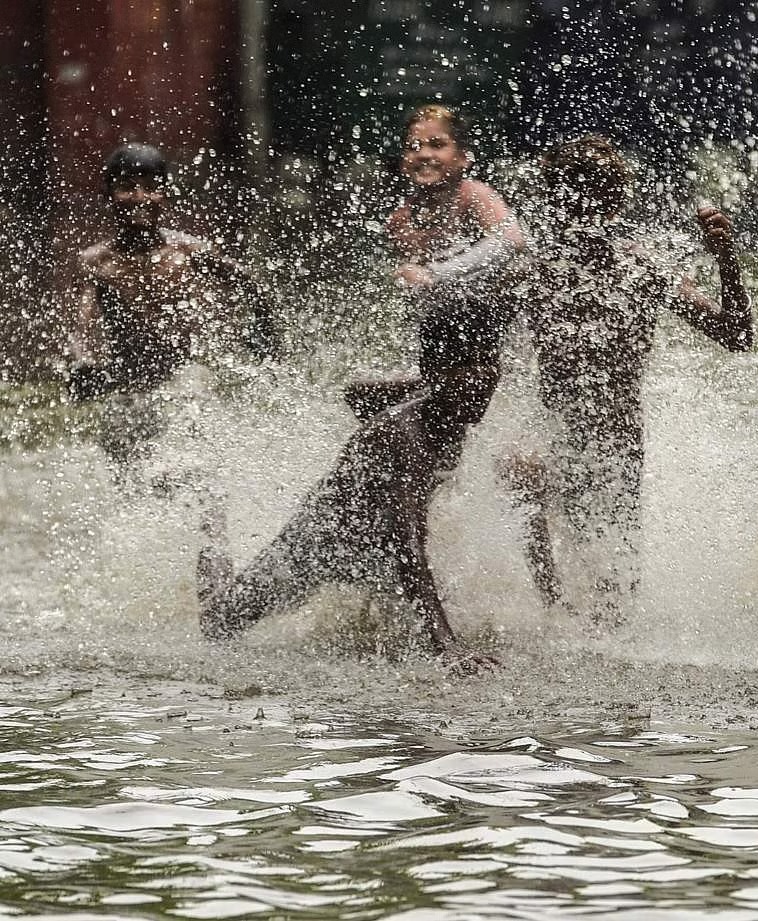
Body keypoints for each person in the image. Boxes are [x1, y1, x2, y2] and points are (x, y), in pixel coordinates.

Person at [502, 135, 752, 623]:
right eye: (570, 191)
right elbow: (491, 356)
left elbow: (736, 335)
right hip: (550, 422)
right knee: (521, 467)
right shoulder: (531, 269)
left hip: (616, 433)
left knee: (614, 577)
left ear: (618, 198)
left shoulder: (642, 266)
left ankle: (608, 627)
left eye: (598, 191)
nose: (583, 203)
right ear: (552, 199)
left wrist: (726, 258)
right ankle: (551, 614)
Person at [197, 357, 502, 676]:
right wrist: (447, 646)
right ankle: (212, 526)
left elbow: (357, 394)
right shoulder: (406, 435)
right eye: (467, 370)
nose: (482, 383)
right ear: (437, 371)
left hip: (377, 554)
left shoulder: (450, 405)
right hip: (320, 545)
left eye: (490, 366)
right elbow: (407, 547)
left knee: (435, 609)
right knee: (216, 621)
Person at [67, 143, 276, 483]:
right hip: (128, 388)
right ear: (108, 195)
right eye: (126, 187)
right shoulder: (96, 263)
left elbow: (250, 284)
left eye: (151, 187)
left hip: (186, 380)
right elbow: (82, 323)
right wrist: (82, 362)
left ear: (165, 195)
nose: (139, 198)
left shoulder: (189, 252)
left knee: (198, 472)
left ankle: (213, 534)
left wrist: (264, 335)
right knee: (130, 482)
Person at [346, 104, 523, 415]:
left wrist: (437, 273)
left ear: (463, 157)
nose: (424, 154)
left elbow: (510, 241)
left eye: (437, 145)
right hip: (443, 338)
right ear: (403, 161)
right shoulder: (401, 221)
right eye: (414, 147)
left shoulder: (472, 195)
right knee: (362, 395)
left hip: (493, 336)